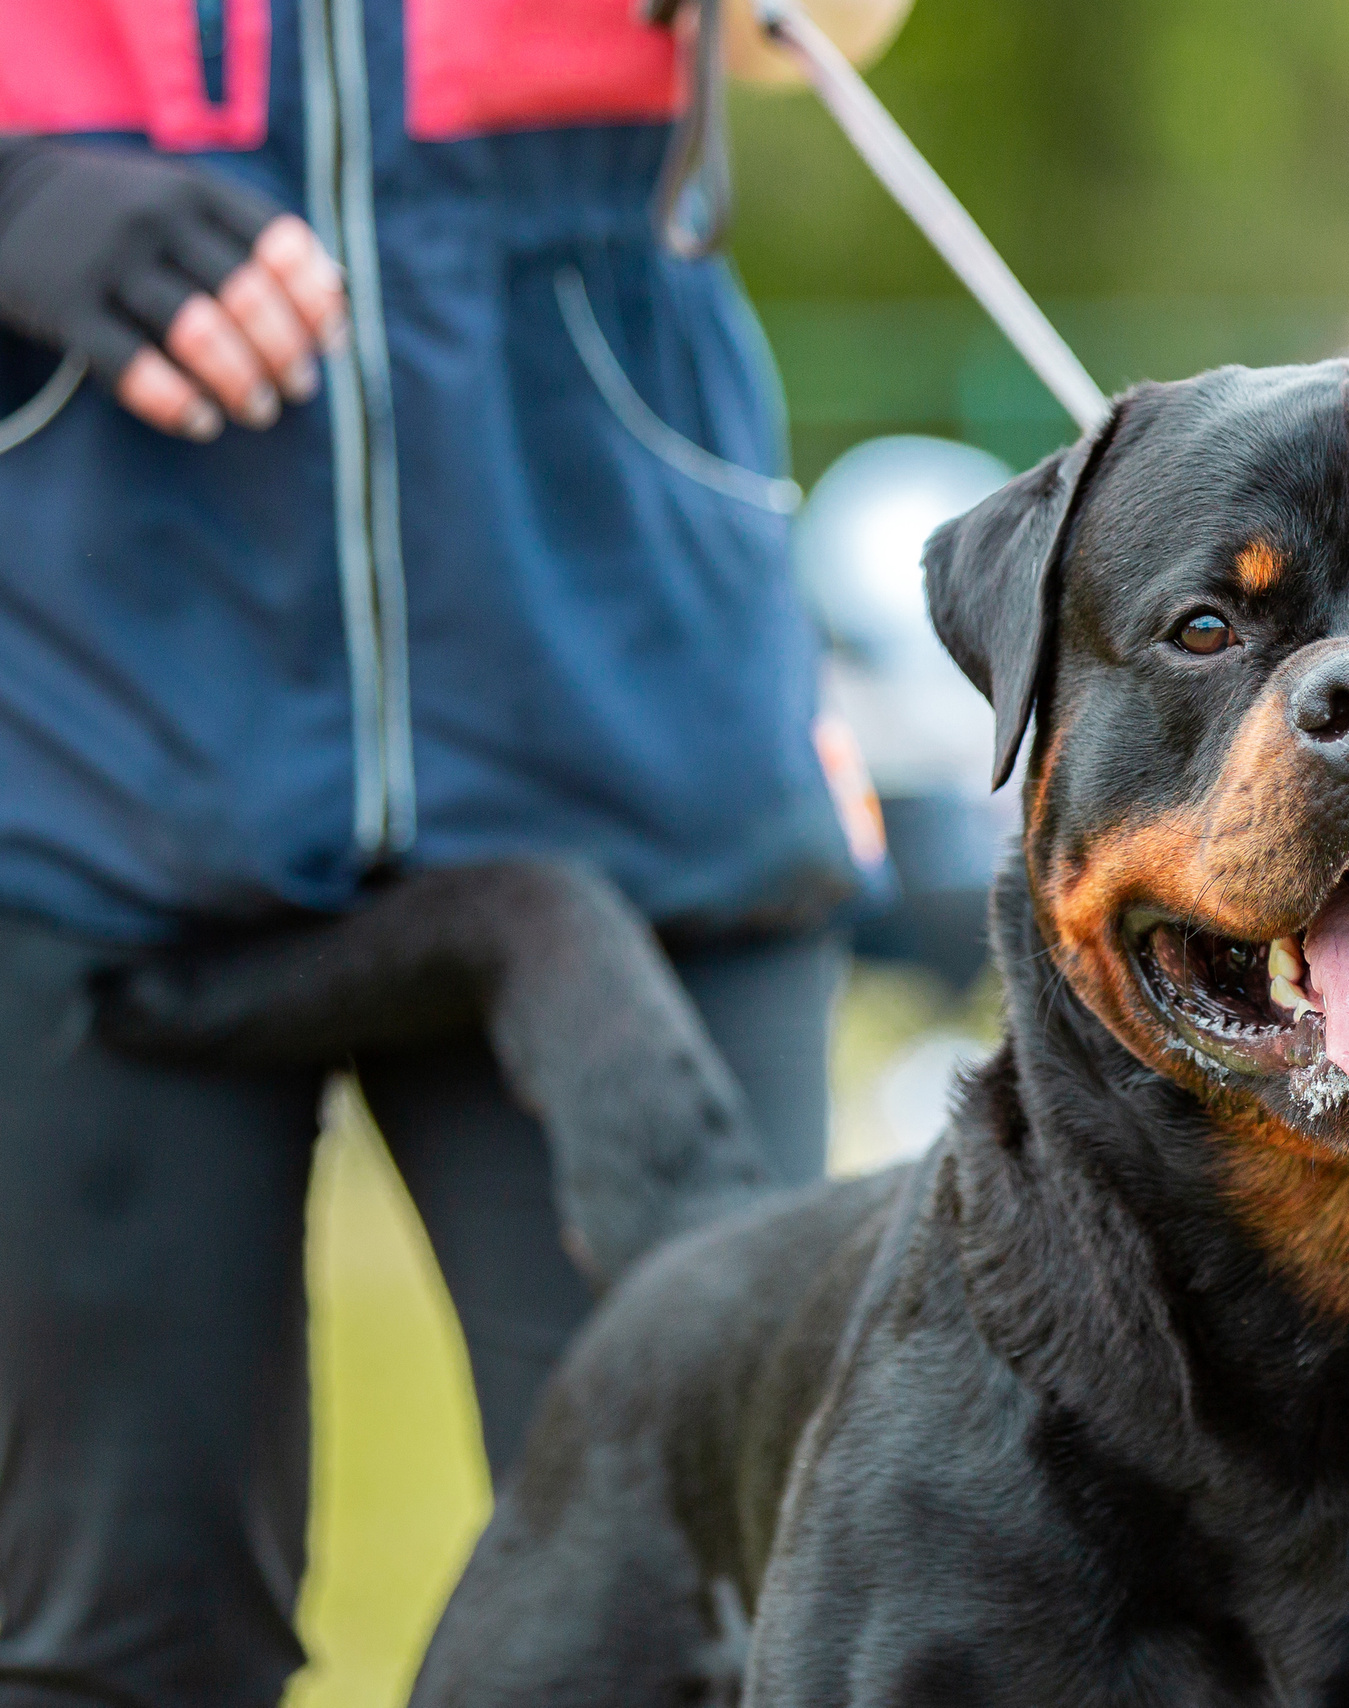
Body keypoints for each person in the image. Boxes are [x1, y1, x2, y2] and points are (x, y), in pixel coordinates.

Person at [0, 3, 904, 1703]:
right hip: (71, 736)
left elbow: (829, 29)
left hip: (632, 713)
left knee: (745, 1620)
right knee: (115, 1638)